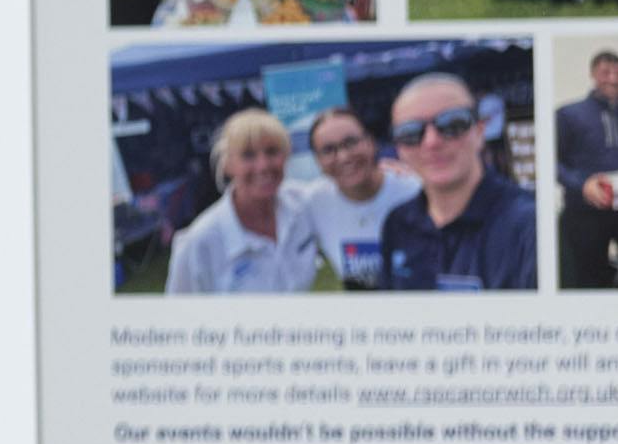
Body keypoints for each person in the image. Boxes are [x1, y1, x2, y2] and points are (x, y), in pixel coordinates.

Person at [378, 70, 538, 291]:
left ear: (480, 132)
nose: (432, 142)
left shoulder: (530, 225)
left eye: (452, 124)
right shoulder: (397, 224)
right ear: (398, 148)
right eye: (410, 132)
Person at [166, 108, 323, 293]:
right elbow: (177, 317)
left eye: (272, 152)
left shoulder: (303, 204)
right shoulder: (199, 243)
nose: (263, 165)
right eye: (248, 155)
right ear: (228, 165)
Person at [554, 47, 618, 289]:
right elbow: (552, 164)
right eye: (606, 72)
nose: (614, 78)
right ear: (593, 74)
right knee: (592, 279)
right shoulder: (567, 114)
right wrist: (583, 184)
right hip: (586, 211)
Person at [297, 104, 420, 291]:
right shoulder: (313, 201)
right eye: (328, 150)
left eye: (351, 142)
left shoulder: (414, 190)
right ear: (317, 161)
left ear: (371, 142)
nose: (344, 156)